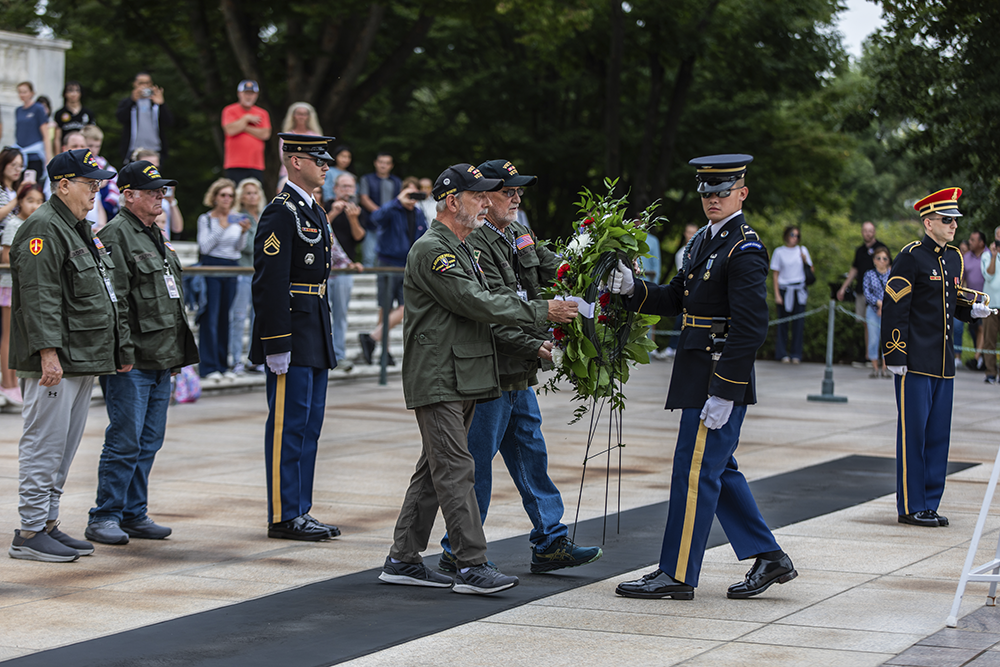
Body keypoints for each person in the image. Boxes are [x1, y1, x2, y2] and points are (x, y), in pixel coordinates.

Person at [377, 163, 579, 595]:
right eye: (478, 196)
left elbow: (492, 299)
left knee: (433, 473)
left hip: (459, 375)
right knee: (456, 471)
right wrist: (543, 312)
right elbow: (476, 301)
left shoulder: (462, 247)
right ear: (453, 201)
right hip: (438, 377)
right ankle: (471, 565)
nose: (486, 202)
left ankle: (402, 559)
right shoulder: (435, 249)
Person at [610, 154, 797, 601]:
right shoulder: (702, 242)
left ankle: (676, 574)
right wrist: (633, 289)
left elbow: (751, 328)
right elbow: (676, 298)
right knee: (716, 468)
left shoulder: (744, 248)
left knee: (694, 473)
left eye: (723, 191)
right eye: (707, 192)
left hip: (717, 374)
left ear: (742, 193)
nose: (713, 199)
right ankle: (769, 556)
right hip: (698, 369)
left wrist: (725, 392)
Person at [436, 159, 602, 574]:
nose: (516, 198)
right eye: (507, 191)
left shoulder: (517, 232)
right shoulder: (473, 242)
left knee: (531, 454)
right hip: (488, 372)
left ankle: (550, 541)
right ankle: (459, 549)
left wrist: (601, 266)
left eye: (518, 192)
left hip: (517, 371)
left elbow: (556, 268)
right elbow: (491, 313)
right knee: (476, 464)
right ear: (484, 198)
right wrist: (538, 346)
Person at [8, 149, 121, 563]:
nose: (96, 191)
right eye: (90, 183)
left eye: (98, 184)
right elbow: (39, 297)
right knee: (44, 444)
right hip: (54, 359)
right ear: (63, 185)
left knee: (64, 447)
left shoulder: (77, 227)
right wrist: (48, 353)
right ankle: (29, 531)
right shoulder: (43, 226)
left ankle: (48, 522)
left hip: (79, 355)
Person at [85, 160, 199, 545]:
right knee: (125, 440)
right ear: (128, 195)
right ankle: (105, 515)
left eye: (162, 191)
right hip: (132, 359)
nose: (160, 197)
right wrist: (122, 352)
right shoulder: (117, 235)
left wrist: (174, 355)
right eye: (152, 192)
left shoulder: (154, 234)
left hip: (161, 355)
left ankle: (133, 513)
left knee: (149, 440)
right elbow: (113, 302)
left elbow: (169, 298)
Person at [249, 133, 349, 541]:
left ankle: (300, 509)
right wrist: (275, 342)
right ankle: (283, 514)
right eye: (317, 159)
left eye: (326, 159)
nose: (325, 166)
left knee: (309, 427)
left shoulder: (314, 211)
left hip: (314, 330)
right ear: (294, 162)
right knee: (288, 427)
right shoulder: (281, 212)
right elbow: (269, 283)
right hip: (291, 330)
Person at [882, 187, 989, 527]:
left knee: (938, 436)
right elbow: (896, 307)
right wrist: (894, 353)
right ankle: (911, 506)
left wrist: (972, 310)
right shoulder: (911, 257)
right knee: (913, 435)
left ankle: (930, 503)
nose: (954, 225)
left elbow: (949, 300)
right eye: (947, 220)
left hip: (943, 363)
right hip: (914, 362)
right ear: (928, 223)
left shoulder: (954, 257)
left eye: (955, 220)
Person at [357, 177, 427, 365]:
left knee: (406, 306)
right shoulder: (392, 209)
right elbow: (375, 218)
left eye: (414, 193)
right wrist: (397, 201)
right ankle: (384, 352)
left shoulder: (419, 213)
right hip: (388, 263)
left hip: (407, 265)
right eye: (408, 193)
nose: (411, 198)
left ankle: (372, 337)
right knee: (385, 307)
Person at [197, 178, 249, 380]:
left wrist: (243, 233)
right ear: (215, 197)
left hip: (231, 266)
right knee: (210, 316)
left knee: (225, 317)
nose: (227, 199)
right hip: (211, 266)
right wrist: (222, 226)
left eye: (230, 195)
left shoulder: (237, 217)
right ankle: (208, 366)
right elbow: (204, 247)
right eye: (223, 195)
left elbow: (239, 248)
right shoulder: (206, 219)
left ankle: (222, 364)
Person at [0, 182, 44, 407]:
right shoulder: (14, 224)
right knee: (8, 335)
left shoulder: (36, 224)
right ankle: (7, 384)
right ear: (20, 202)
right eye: (30, 200)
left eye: (39, 201)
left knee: (19, 335)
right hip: (10, 286)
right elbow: (6, 257)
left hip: (25, 286)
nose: (35, 205)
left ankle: (14, 382)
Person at [327, 172, 366, 368]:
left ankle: (338, 355)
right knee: (322, 313)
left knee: (340, 314)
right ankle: (323, 353)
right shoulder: (325, 205)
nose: (347, 190)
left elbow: (359, 237)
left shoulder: (356, 209)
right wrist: (334, 212)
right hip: (324, 269)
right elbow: (320, 227)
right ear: (335, 189)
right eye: (343, 186)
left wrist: (353, 218)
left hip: (345, 269)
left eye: (350, 187)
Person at [837, 221, 887, 363]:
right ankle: (870, 357)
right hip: (863, 292)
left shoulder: (881, 248)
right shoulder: (860, 251)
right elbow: (854, 270)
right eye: (865, 230)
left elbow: (889, 269)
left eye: (870, 230)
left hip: (879, 294)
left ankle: (883, 359)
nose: (868, 233)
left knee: (882, 325)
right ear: (862, 232)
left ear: (874, 232)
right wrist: (843, 288)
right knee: (867, 323)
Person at [229, 178, 264, 375]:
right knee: (239, 316)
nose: (252, 196)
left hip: (260, 272)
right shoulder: (237, 217)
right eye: (248, 193)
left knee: (258, 317)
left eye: (255, 192)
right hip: (243, 271)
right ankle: (235, 359)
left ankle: (255, 359)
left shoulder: (264, 215)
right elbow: (248, 247)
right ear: (241, 197)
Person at [652, 223, 700, 361]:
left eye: (693, 232)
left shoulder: (702, 249)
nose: (691, 235)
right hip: (687, 289)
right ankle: (673, 347)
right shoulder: (681, 253)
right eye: (689, 232)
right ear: (685, 233)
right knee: (681, 318)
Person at [770, 225, 813, 364]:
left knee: (798, 324)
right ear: (787, 235)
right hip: (784, 289)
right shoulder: (779, 252)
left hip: (798, 289)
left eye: (797, 236)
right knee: (783, 323)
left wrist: (805, 260)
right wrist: (777, 295)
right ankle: (782, 353)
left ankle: (796, 354)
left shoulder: (802, 250)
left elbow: (811, 270)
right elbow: (775, 275)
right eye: (793, 235)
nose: (795, 238)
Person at [117, 72, 173, 165]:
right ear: (134, 84)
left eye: (147, 83)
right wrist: (132, 101)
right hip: (134, 151)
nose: (144, 86)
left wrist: (161, 104)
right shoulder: (128, 102)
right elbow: (121, 118)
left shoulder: (155, 103)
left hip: (155, 150)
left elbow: (169, 122)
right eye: (141, 83)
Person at [222, 80, 271, 185]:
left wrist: (243, 126)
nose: (248, 96)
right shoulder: (229, 110)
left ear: (256, 95)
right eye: (246, 93)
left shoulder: (262, 113)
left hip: (256, 164)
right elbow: (230, 130)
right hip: (234, 163)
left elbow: (265, 134)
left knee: (255, 192)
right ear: (239, 94)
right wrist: (246, 118)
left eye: (251, 93)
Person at [358, 152, 401, 267]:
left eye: (387, 163)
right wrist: (381, 213)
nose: (383, 165)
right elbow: (364, 199)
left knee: (388, 259)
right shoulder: (366, 179)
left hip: (390, 227)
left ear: (391, 165)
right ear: (375, 163)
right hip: (370, 224)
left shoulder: (397, 181)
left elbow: (399, 201)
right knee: (369, 258)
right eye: (381, 162)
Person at [131, 148, 183, 239]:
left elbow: (177, 228)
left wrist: (172, 201)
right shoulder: (130, 193)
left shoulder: (163, 193)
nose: (152, 171)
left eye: (156, 167)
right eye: (147, 167)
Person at [14, 82, 53, 187]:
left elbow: (46, 135)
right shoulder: (18, 110)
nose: (22, 95)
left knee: (33, 186)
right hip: (21, 155)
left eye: (24, 92)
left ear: (31, 93)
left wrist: (48, 157)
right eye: (20, 92)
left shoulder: (38, 108)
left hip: (34, 155)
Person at [277, 102, 322, 189]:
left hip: (311, 174)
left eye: (304, 114)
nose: (301, 117)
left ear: (309, 116)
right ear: (293, 116)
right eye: (299, 114)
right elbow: (284, 156)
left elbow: (318, 156)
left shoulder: (316, 136)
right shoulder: (286, 136)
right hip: (288, 173)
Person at [863, 246, 892, 378]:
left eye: (884, 258)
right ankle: (875, 368)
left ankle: (885, 368)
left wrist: (885, 305)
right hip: (873, 310)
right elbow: (867, 293)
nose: (881, 261)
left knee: (888, 339)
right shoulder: (869, 274)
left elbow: (895, 292)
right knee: (874, 339)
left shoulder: (892, 274)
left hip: (888, 311)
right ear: (874, 260)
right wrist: (878, 303)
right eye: (878, 258)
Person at [81, 125, 120, 222]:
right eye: (90, 146)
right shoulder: (78, 164)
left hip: (105, 210)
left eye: (97, 146)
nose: (94, 150)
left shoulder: (105, 166)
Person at [963, 231, 988, 370]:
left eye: (973, 240)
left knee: (981, 328)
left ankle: (977, 358)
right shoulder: (966, 257)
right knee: (974, 330)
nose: (970, 242)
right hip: (970, 300)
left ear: (981, 243)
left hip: (986, 301)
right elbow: (961, 277)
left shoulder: (989, 255)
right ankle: (981, 358)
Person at [52, 80, 96, 153]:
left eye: (76, 90)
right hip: (66, 151)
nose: (73, 94)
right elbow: (57, 138)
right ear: (65, 93)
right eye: (70, 91)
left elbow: (92, 135)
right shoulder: (59, 113)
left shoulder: (88, 113)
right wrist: (58, 156)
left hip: (84, 151)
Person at [981, 227, 1000, 384]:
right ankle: (991, 372)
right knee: (989, 340)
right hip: (991, 304)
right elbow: (988, 275)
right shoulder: (987, 255)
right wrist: (994, 256)